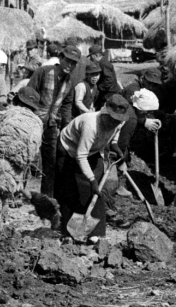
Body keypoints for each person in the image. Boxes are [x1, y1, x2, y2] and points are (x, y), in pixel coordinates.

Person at [56, 94, 132, 239]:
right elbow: (81, 155)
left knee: (96, 193)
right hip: (69, 149)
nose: (114, 123)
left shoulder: (119, 121)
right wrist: (92, 180)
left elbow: (117, 130)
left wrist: (114, 143)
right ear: (105, 112)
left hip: (93, 151)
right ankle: (66, 231)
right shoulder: (91, 125)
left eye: (117, 120)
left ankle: (96, 234)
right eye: (112, 119)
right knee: (71, 189)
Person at [27, 46, 80, 197]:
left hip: (51, 124)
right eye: (68, 61)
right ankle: (17, 193)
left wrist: (65, 127)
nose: (70, 65)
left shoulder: (69, 83)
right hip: (33, 120)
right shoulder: (43, 72)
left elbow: (67, 106)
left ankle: (46, 197)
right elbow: (29, 94)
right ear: (61, 58)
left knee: (51, 162)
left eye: (74, 63)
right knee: (26, 158)